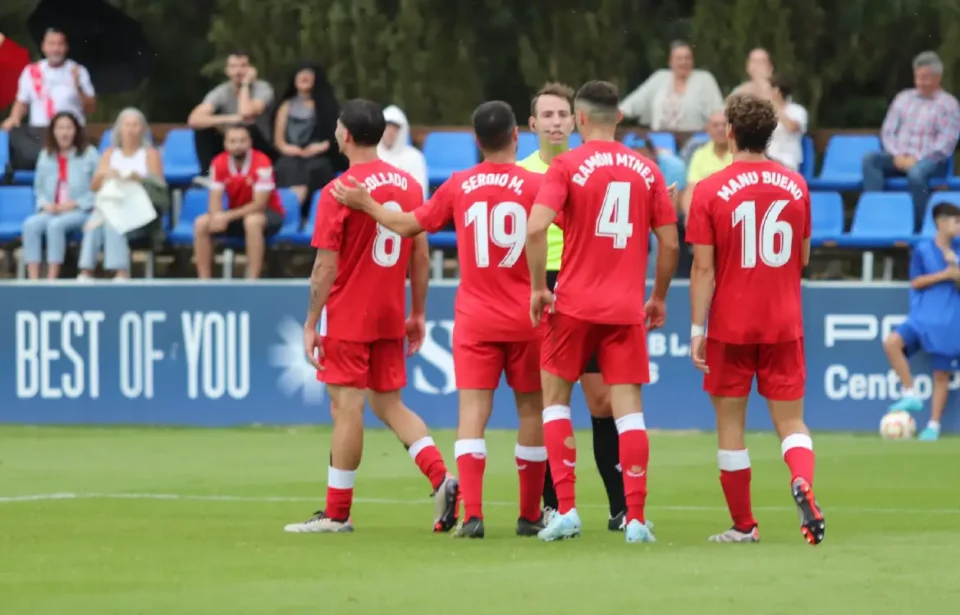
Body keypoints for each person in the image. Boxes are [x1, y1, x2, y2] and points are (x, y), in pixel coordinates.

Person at [332, 100, 547, 539]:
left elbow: (409, 226)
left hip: (477, 318)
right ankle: (529, 514)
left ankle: (473, 516)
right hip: (527, 315)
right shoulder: (536, 185)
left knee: (472, 412)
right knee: (531, 409)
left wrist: (367, 204)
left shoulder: (459, 184)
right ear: (516, 137)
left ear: (475, 141)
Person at [285, 99, 459, 534]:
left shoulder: (339, 190)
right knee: (389, 402)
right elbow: (420, 256)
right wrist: (417, 311)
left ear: (344, 135)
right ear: (381, 134)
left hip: (348, 313)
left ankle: (337, 513)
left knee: (347, 407)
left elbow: (325, 266)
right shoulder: (408, 184)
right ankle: (441, 477)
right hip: (388, 310)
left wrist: (311, 322)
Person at [526, 80, 680, 543]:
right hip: (624, 306)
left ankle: (567, 510)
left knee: (555, 402)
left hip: (572, 303)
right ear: (619, 118)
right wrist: (659, 296)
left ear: (579, 119)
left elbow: (535, 230)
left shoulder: (568, 164)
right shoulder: (648, 170)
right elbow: (670, 241)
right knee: (628, 412)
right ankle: (633, 518)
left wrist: (538, 288)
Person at [685, 93, 825, 546]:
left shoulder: (708, 190)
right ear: (771, 134)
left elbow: (703, 267)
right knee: (792, 423)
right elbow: (801, 258)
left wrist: (696, 329)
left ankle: (744, 525)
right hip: (783, 321)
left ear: (730, 132)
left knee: (731, 427)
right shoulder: (797, 185)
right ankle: (801, 480)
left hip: (731, 324)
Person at [519, 81, 626, 531]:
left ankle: (619, 507)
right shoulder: (522, 174)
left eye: (563, 114)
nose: (557, 122)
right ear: (533, 124)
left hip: (588, 285)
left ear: (577, 118)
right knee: (549, 398)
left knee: (601, 401)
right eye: (547, 115)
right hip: (541, 287)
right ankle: (552, 505)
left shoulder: (593, 167)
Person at [882, 202, 960, 442]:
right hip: (922, 317)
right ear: (941, 222)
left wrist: (954, 267)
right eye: (956, 221)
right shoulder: (923, 250)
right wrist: (944, 274)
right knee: (892, 343)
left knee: (941, 374)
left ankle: (933, 426)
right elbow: (915, 282)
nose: (959, 226)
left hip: (950, 320)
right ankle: (910, 391)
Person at [79, 108, 164, 280]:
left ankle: (120, 271)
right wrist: (104, 174)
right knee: (95, 221)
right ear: (119, 129)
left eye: (135, 125)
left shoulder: (150, 155)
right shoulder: (109, 154)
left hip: (140, 209)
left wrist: (140, 179)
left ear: (142, 129)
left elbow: (160, 188)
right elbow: (94, 187)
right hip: (111, 203)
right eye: (127, 125)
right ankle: (86, 270)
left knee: (112, 220)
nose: (131, 129)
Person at [192, 125, 285, 279]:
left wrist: (226, 217)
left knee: (252, 222)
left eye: (242, 140)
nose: (237, 145)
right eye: (233, 141)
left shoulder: (262, 162)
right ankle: (204, 281)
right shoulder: (218, 162)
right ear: (225, 144)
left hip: (268, 213)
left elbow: (259, 204)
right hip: (236, 213)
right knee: (201, 223)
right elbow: (215, 196)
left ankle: (252, 281)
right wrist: (216, 216)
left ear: (250, 142)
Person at [2, 29, 96, 171]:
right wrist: (13, 118)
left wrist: (78, 87)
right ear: (44, 47)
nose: (56, 48)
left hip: (71, 134)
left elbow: (90, 109)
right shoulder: (31, 71)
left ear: (66, 47)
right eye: (51, 44)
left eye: (60, 44)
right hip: (39, 135)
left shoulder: (78, 71)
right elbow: (21, 102)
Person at [21, 111, 98, 280]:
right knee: (30, 225)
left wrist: (75, 204)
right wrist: (45, 204)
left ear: (76, 131)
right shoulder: (45, 155)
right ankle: (33, 279)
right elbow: (39, 188)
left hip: (81, 211)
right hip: (52, 209)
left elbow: (98, 190)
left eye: (69, 128)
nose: (65, 132)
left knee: (56, 225)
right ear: (53, 131)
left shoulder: (89, 154)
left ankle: (52, 279)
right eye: (60, 128)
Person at [187, 51, 275, 175]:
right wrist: (231, 119)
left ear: (252, 69)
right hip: (230, 140)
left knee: (248, 126)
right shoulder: (221, 91)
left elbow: (246, 113)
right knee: (203, 128)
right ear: (227, 71)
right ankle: (207, 174)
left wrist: (245, 84)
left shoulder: (263, 89)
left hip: (258, 143)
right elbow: (194, 119)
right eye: (234, 67)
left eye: (243, 66)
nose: (238, 71)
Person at [272, 64, 344, 214]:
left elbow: (336, 136)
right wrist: (289, 149)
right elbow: (279, 140)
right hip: (291, 154)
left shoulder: (328, 105)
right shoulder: (285, 106)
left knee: (317, 168)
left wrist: (321, 146)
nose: (304, 77)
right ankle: (290, 213)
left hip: (319, 155)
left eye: (308, 74)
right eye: (300, 73)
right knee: (286, 167)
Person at [618, 40, 723, 132]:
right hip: (661, 141)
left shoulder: (705, 79)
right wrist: (612, 116)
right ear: (670, 62)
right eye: (679, 58)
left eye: (688, 58)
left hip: (694, 141)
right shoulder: (659, 78)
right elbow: (635, 102)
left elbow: (719, 112)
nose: (683, 62)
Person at [378, 105, 428, 199]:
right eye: (387, 126)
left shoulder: (415, 157)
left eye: (395, 128)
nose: (390, 132)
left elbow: (420, 193)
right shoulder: (370, 154)